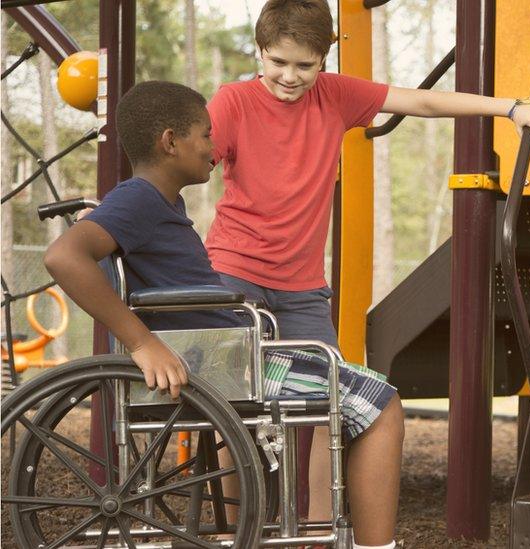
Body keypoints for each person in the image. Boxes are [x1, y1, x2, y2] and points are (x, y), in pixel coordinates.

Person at [203, 0, 530, 533]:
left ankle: (315, 530)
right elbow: (189, 159)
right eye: (278, 62)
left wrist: (509, 107)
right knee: (235, 406)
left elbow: (422, 101)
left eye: (304, 65)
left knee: (327, 410)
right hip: (234, 270)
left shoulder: (336, 95)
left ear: (325, 59)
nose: (290, 77)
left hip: (300, 287)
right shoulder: (234, 101)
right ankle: (235, 528)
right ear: (259, 51)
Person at [43, 81, 404, 549]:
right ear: (170, 142)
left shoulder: (153, 201)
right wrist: (141, 342)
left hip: (230, 356)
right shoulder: (138, 200)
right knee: (379, 405)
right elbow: (63, 256)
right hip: (223, 367)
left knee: (362, 389)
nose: (215, 147)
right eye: (206, 135)